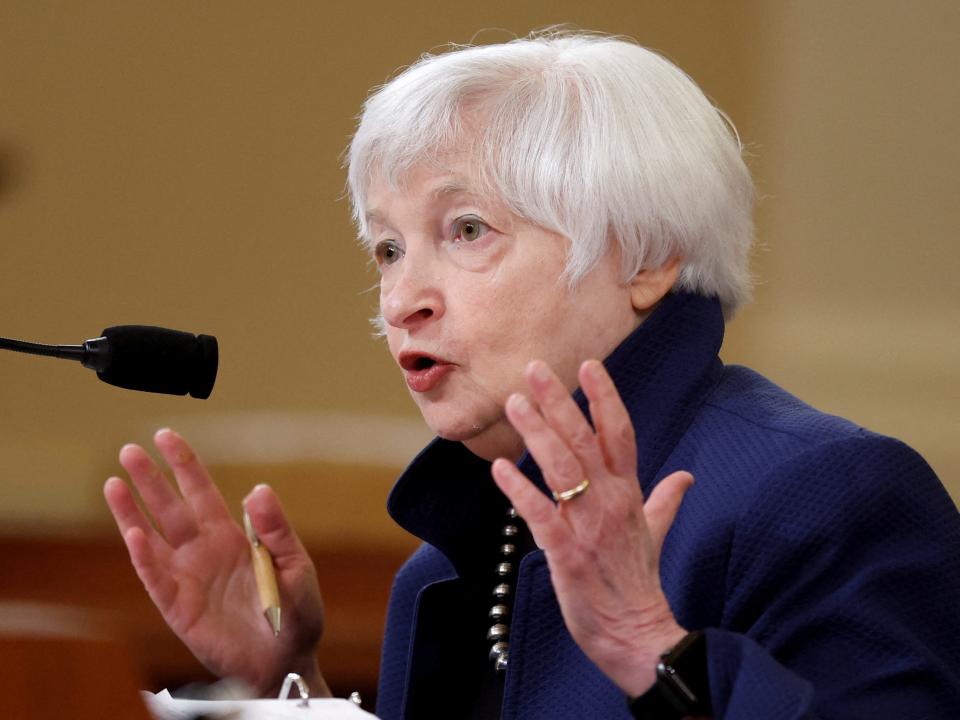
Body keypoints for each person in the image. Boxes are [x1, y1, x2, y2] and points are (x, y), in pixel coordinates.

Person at [104, 31, 960, 719]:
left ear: (649, 255)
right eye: (388, 247)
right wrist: (288, 689)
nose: (402, 299)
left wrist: (655, 651)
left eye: (467, 230)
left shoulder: (826, 493)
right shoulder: (445, 566)